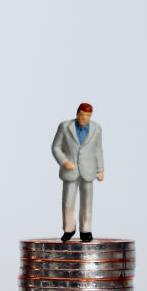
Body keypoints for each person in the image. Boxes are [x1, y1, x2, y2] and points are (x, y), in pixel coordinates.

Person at [51, 103, 104, 242]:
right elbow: (56, 147)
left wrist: (100, 169)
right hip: (70, 170)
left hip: (88, 170)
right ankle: (69, 228)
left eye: (88, 116)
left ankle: (86, 229)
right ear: (77, 114)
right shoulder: (65, 126)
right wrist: (64, 161)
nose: (85, 118)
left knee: (87, 202)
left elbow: (98, 150)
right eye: (82, 115)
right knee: (68, 201)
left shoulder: (96, 128)